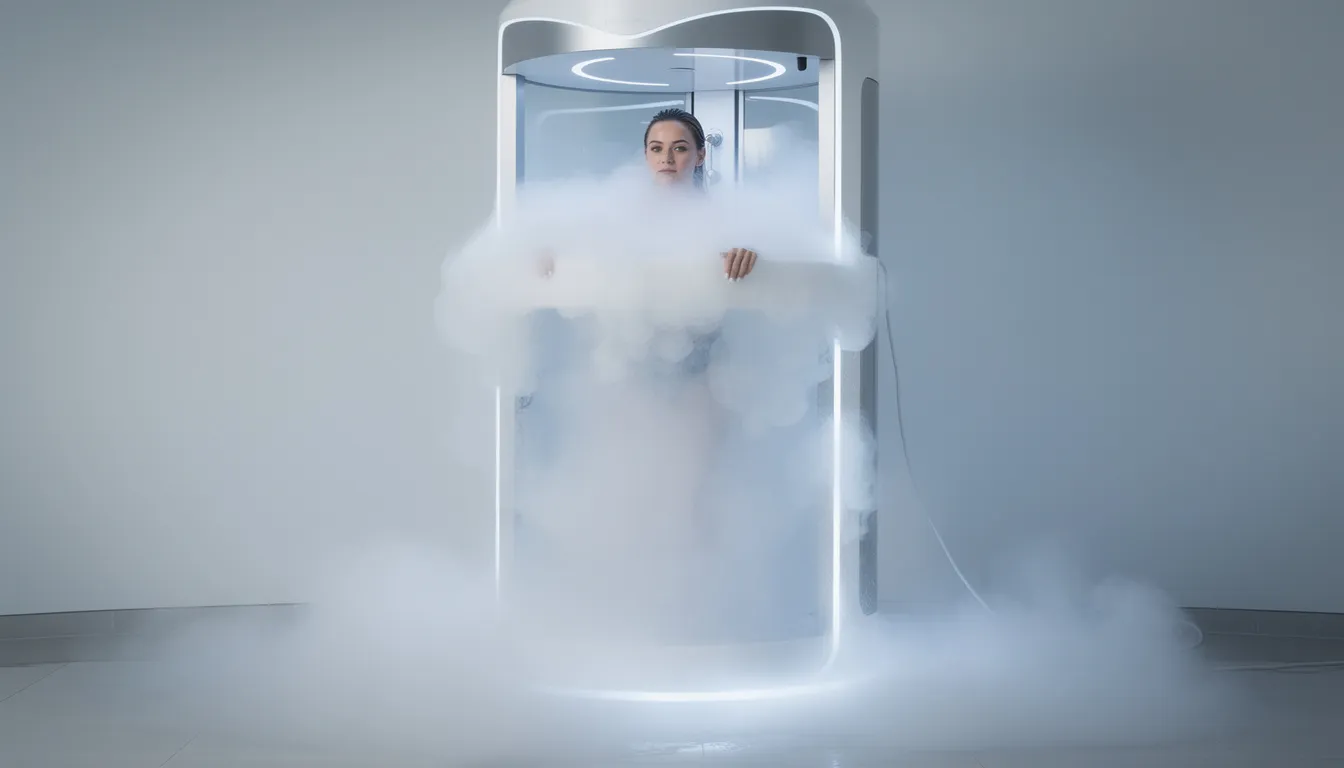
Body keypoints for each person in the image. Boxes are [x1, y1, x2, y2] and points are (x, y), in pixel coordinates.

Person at [539, 108, 758, 281]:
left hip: (704, 332)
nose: (667, 158)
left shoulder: (723, 219)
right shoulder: (621, 213)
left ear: (701, 155)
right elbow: (579, 241)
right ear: (646, 155)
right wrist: (551, 252)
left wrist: (748, 255)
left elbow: (762, 249)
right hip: (632, 331)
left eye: (680, 148)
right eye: (656, 148)